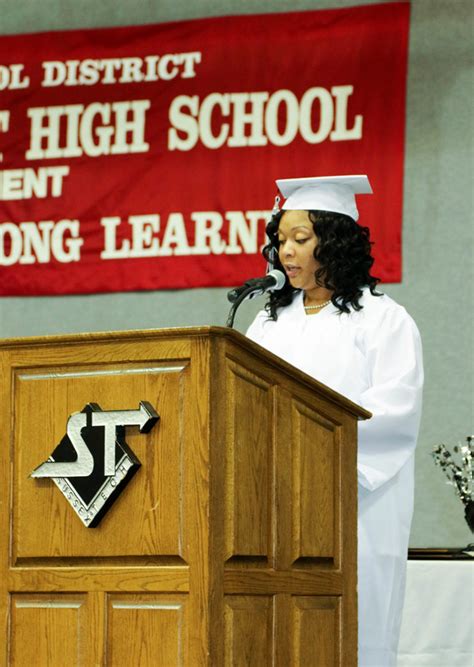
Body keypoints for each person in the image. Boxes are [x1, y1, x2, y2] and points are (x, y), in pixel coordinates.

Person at [246, 175, 423, 667]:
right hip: (275, 504)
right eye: (280, 240)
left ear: (336, 241)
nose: (286, 252)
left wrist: (313, 448)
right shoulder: (268, 322)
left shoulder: (384, 320)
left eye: (300, 239)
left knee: (351, 633)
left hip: (352, 504)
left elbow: (393, 412)